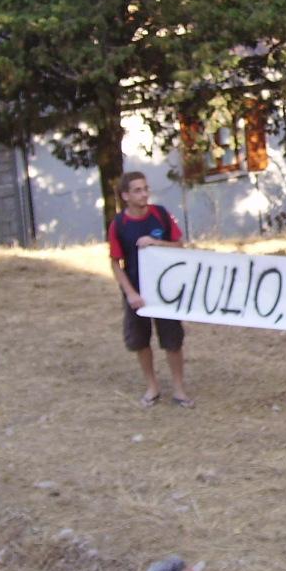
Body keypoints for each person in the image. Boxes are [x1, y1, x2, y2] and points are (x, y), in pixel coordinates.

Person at [109, 172, 193, 408]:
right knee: (140, 340)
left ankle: (179, 389)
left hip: (165, 291)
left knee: (172, 340)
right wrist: (130, 294)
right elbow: (115, 262)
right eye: (137, 190)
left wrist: (156, 243)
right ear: (125, 196)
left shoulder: (161, 215)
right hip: (137, 292)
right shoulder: (118, 225)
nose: (144, 194)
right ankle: (152, 386)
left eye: (145, 188)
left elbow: (179, 246)